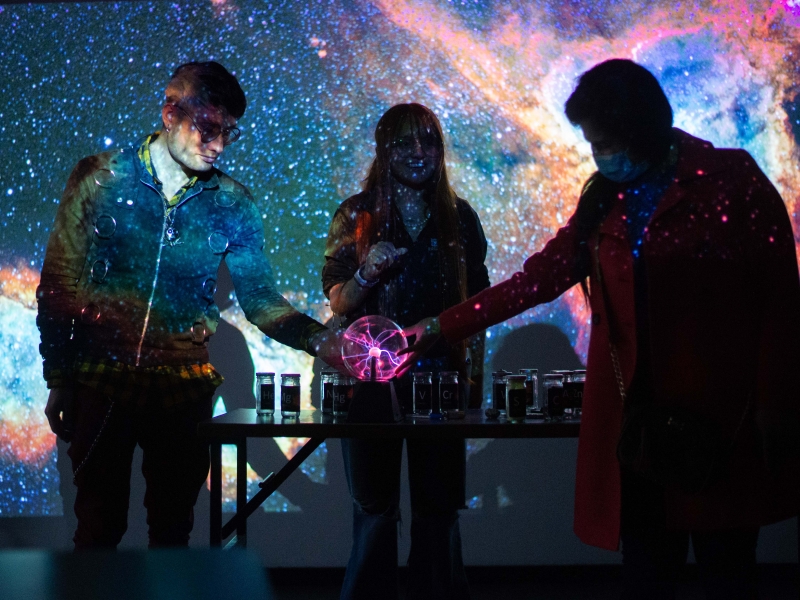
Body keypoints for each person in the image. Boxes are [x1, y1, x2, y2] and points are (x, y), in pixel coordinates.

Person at [402, 60, 800, 599]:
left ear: (644, 129)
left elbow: (780, 297)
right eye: (593, 144)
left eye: (607, 142)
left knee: (726, 573)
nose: (601, 156)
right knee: (645, 574)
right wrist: (440, 327)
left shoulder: (732, 181)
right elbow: (535, 281)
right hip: (638, 431)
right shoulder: (603, 198)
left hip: (722, 425)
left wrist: (775, 405)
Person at [37, 61, 343, 549]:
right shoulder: (100, 179)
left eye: (229, 133)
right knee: (97, 529)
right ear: (169, 112)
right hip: (99, 381)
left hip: (181, 390)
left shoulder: (233, 203)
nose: (219, 144)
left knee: (173, 531)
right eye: (208, 128)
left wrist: (319, 338)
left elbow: (259, 297)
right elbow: (59, 285)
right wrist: (59, 378)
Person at [322, 103, 490, 600]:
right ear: (384, 150)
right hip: (370, 386)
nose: (420, 153)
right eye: (406, 143)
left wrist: (474, 377)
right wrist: (365, 273)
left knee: (438, 511)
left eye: (429, 141)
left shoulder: (460, 217)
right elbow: (337, 301)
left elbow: (478, 304)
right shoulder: (356, 215)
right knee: (375, 512)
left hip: (442, 382)